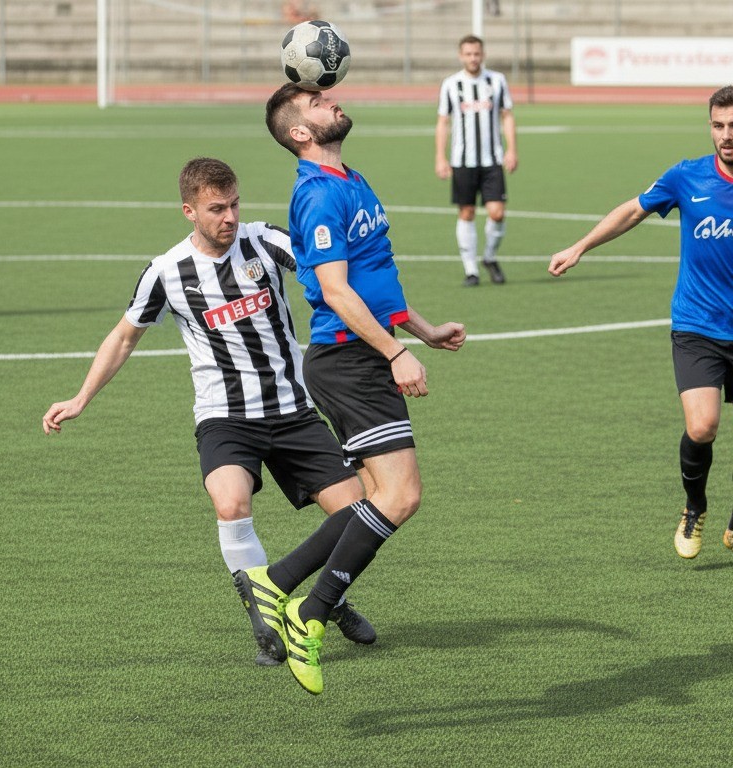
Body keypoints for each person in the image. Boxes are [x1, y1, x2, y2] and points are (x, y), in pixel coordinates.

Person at [41, 156, 379, 667]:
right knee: (230, 504)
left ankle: (329, 602)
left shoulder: (264, 241)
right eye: (216, 209)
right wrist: (81, 396)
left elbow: (328, 269)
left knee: (358, 512)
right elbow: (124, 336)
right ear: (189, 211)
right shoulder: (165, 272)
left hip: (293, 408)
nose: (229, 217)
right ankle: (266, 623)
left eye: (235, 204)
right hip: (225, 417)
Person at [246, 82, 466, 695]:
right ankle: (309, 615)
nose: (332, 102)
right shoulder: (315, 195)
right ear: (300, 132)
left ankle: (278, 579)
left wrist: (422, 329)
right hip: (349, 360)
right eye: (318, 103)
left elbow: (374, 272)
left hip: (362, 352)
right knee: (400, 496)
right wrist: (396, 352)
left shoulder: (351, 177)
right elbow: (338, 291)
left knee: (374, 498)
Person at [548, 84, 733, 560]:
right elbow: (634, 210)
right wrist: (580, 246)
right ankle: (695, 507)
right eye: (718, 125)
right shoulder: (687, 177)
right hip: (698, 327)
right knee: (702, 427)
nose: (726, 135)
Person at [435, 34, 518, 287]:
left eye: (477, 53)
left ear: (483, 54)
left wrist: (512, 149)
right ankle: (471, 270)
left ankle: (490, 257)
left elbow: (507, 116)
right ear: (461, 56)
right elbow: (443, 122)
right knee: (467, 212)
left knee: (497, 212)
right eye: (468, 54)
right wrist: (440, 156)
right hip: (462, 160)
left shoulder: (496, 81)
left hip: (492, 159)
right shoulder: (451, 84)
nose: (473, 58)